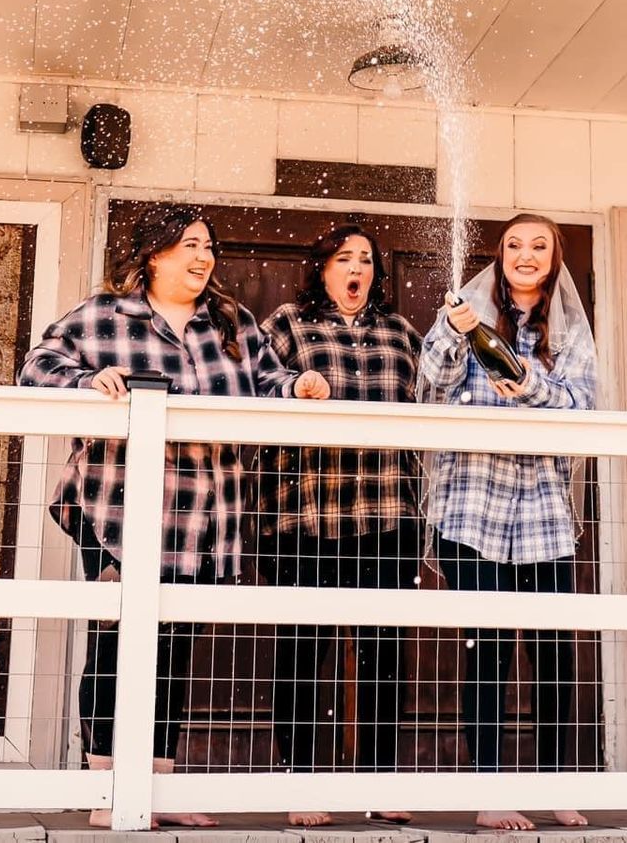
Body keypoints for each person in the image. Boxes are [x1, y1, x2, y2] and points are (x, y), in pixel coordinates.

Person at [19, 204, 332, 829]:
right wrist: (88, 381)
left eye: (208, 246)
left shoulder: (231, 322)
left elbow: (269, 383)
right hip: (117, 509)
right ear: (155, 253)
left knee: (176, 647)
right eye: (190, 244)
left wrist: (300, 386)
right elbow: (36, 367)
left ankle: (159, 785)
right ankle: (107, 786)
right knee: (115, 645)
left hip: (206, 516)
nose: (203, 256)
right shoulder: (104, 314)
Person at [418, 213, 597, 833]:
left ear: (554, 258)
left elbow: (581, 404)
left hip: (544, 507)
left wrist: (526, 385)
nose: (525, 255)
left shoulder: (571, 329)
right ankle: (490, 792)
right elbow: (432, 383)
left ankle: (556, 786)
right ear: (499, 254)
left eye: (538, 246)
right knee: (486, 651)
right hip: (472, 506)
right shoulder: (465, 309)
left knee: (554, 652)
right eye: (514, 245)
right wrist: (454, 332)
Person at [253, 223, 424, 825]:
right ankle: (301, 782)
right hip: (304, 513)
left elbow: (426, 410)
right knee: (306, 650)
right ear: (322, 267)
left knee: (383, 650)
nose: (357, 268)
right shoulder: (287, 323)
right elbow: (255, 390)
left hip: (387, 511)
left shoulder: (401, 332)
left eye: (367, 261)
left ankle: (378, 779)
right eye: (344, 258)